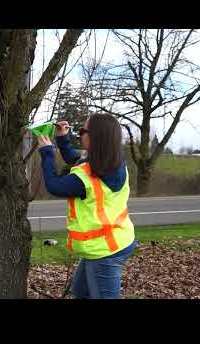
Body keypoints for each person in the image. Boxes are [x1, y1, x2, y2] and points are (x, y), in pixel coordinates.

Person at [36, 113, 137, 299]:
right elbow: (75, 159)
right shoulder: (113, 162)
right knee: (81, 291)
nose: (79, 134)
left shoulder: (85, 178)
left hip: (105, 251)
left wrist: (47, 153)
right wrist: (62, 138)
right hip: (115, 240)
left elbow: (54, 185)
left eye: (82, 131)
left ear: (96, 137)